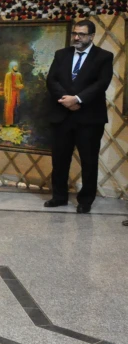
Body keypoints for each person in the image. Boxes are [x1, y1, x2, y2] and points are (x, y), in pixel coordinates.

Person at [43, 20, 114, 214]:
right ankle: (59, 196)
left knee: (89, 160)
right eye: (75, 33)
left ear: (91, 36)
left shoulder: (104, 57)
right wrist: (65, 99)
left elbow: (101, 84)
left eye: (81, 34)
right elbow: (52, 79)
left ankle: (85, 200)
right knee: (59, 159)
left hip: (89, 118)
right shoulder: (62, 54)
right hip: (61, 115)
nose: (76, 37)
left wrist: (78, 99)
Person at [2, 61, 24, 126]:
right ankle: (8, 122)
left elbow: (22, 84)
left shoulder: (19, 74)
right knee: (9, 107)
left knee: (16, 107)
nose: (16, 67)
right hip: (9, 93)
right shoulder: (8, 75)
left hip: (16, 93)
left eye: (17, 66)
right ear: (11, 67)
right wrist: (5, 95)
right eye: (15, 66)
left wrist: (19, 86)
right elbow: (5, 86)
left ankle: (14, 123)